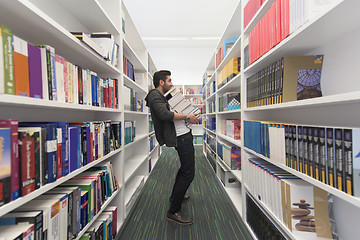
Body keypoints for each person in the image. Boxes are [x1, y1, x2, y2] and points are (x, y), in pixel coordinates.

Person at [145, 70, 199, 225]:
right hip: (180, 138)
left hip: (183, 134)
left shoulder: (163, 96)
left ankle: (176, 197)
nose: (171, 83)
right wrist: (188, 116)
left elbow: (170, 113)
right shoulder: (155, 95)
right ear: (161, 82)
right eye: (169, 80)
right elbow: (164, 115)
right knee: (189, 173)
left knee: (185, 169)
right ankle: (173, 211)